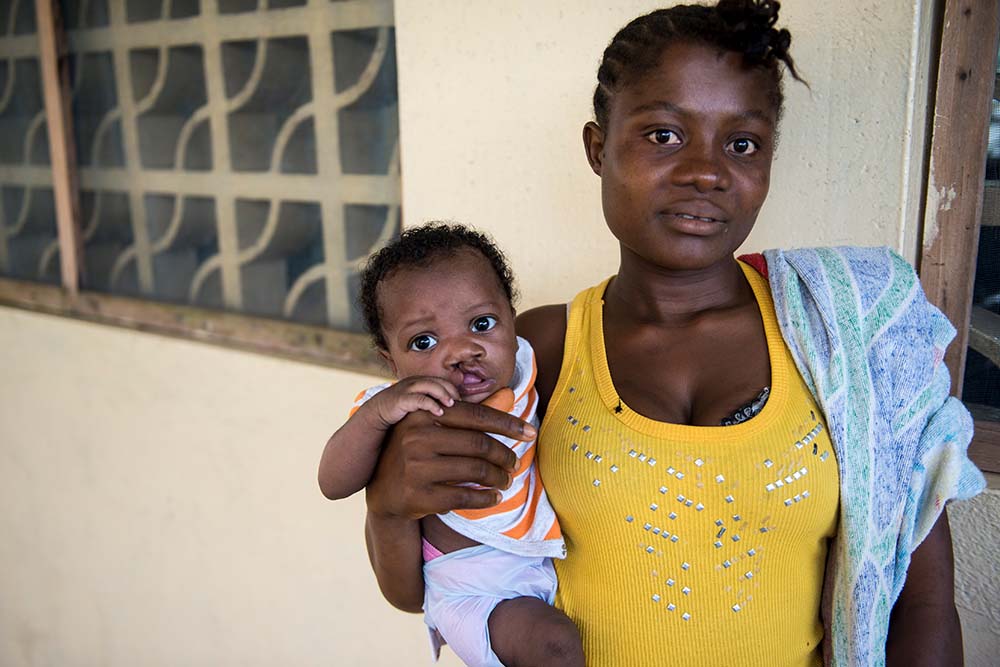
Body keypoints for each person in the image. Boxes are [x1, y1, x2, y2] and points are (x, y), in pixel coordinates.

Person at [360, 1, 986, 665]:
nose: (706, 172)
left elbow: (921, 603)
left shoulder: (846, 337)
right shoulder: (533, 354)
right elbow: (431, 584)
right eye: (664, 135)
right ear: (598, 148)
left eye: (741, 144)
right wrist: (388, 506)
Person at [318, 223, 583, 667]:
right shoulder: (398, 408)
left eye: (482, 324)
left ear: (511, 321)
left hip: (539, 567)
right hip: (470, 586)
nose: (462, 351)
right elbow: (331, 483)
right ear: (392, 362)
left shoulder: (527, 367)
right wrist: (380, 413)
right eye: (424, 341)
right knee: (553, 646)